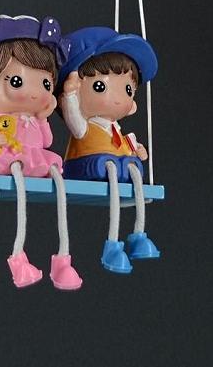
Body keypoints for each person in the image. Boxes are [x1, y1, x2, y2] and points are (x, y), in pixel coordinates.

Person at [0, 14, 82, 290]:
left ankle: (63, 260)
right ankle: (19, 257)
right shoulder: (2, 120)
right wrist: (1, 138)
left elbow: (47, 140)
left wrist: (44, 116)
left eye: (45, 84)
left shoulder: (36, 119)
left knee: (58, 182)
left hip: (38, 159)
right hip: (13, 159)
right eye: (16, 81)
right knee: (21, 198)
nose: (35, 93)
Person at [58, 26, 161, 274]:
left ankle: (138, 233)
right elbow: (73, 117)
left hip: (115, 160)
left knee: (131, 167)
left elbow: (128, 146)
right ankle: (112, 244)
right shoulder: (84, 127)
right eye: (101, 86)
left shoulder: (118, 131)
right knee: (110, 166)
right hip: (85, 163)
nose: (118, 98)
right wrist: (69, 96)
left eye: (127, 90)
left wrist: (137, 150)